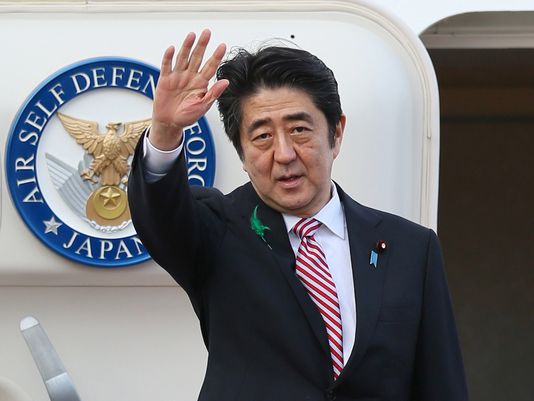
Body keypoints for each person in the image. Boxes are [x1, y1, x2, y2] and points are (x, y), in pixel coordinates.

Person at [128, 29, 469, 401]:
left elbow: (441, 382)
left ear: (336, 133)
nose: (285, 153)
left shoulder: (411, 248)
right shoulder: (217, 229)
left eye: (299, 130)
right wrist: (165, 131)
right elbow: (161, 217)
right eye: (262, 137)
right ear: (241, 154)